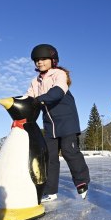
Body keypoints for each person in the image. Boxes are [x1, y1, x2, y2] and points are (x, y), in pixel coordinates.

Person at [26, 44, 90, 202]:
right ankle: (51, 191)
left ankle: (81, 181)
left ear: (53, 60)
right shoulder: (35, 81)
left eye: (43, 59)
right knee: (49, 157)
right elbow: (28, 99)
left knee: (69, 151)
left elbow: (58, 92)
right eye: (36, 60)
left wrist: (38, 100)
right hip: (49, 125)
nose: (39, 62)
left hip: (67, 121)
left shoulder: (58, 74)